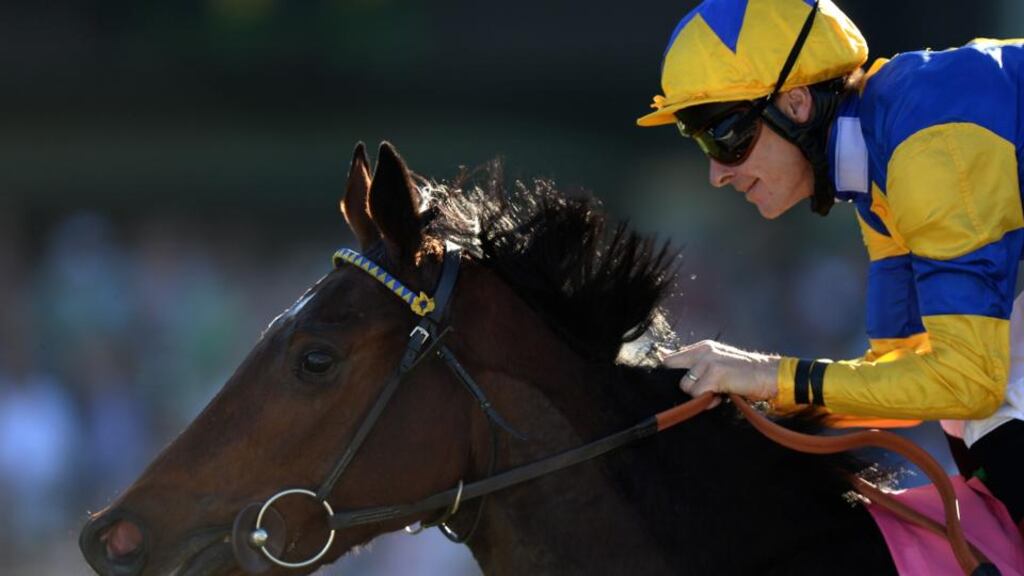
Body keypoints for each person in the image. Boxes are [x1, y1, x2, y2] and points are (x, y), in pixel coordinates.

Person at [638, 0, 1024, 533]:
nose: (716, 173)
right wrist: (752, 397)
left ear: (796, 103)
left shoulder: (926, 145)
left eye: (724, 135)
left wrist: (769, 377)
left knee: (992, 410)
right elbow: (909, 377)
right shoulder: (877, 155)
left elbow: (964, 382)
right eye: (700, 139)